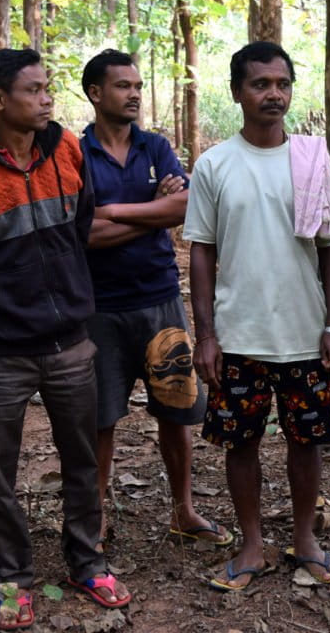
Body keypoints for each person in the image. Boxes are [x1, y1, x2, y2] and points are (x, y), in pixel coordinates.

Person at [0, 48, 130, 629]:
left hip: (71, 341)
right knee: (0, 469)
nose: (48, 99)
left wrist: (62, 296)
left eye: (49, 88)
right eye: (34, 90)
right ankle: (11, 578)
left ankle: (86, 562)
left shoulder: (67, 148)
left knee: (81, 459)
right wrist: (7, 300)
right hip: (2, 350)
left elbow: (81, 223)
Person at [184, 41, 330, 591]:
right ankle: (252, 543)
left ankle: (304, 538)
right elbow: (202, 250)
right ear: (237, 92)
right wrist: (205, 334)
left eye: (281, 84)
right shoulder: (214, 164)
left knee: (306, 441)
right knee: (242, 441)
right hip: (240, 335)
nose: (273, 94)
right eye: (260, 84)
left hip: (304, 332)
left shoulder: (311, 159)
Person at [79, 49, 232, 549]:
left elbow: (186, 207)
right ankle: (97, 515)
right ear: (96, 93)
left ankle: (183, 509)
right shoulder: (74, 153)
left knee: (176, 407)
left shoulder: (155, 147)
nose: (135, 94)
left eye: (137, 85)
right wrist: (151, 209)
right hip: (98, 306)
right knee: (101, 415)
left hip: (159, 298)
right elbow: (83, 233)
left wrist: (118, 211)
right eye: (123, 86)